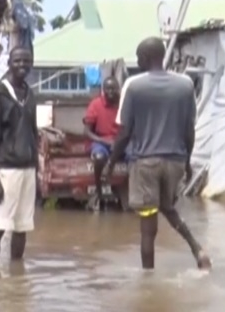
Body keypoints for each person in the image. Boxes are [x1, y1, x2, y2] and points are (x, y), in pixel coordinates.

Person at [109, 37, 212, 270]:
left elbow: (124, 132)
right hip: (174, 162)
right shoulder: (185, 85)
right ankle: (198, 249)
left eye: (138, 58)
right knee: (166, 206)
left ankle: (148, 282)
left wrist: (110, 164)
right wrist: (186, 163)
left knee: (148, 226)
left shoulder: (133, 86)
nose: (137, 62)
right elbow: (189, 130)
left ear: (145, 58)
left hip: (145, 164)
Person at [0, 46, 39, 265]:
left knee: (22, 226)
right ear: (9, 64)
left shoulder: (30, 94)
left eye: (26, 61)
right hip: (7, 170)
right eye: (17, 61)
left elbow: (34, 133)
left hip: (28, 169)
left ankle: (17, 279)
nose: (22, 65)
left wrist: (38, 171)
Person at [83, 76, 121, 211]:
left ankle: (135, 193)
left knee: (137, 158)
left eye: (114, 88)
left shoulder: (124, 103)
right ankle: (99, 191)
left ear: (119, 89)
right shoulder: (96, 104)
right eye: (108, 89)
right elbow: (87, 131)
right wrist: (104, 140)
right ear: (103, 90)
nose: (111, 92)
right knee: (99, 158)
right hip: (100, 141)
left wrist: (120, 142)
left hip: (121, 142)